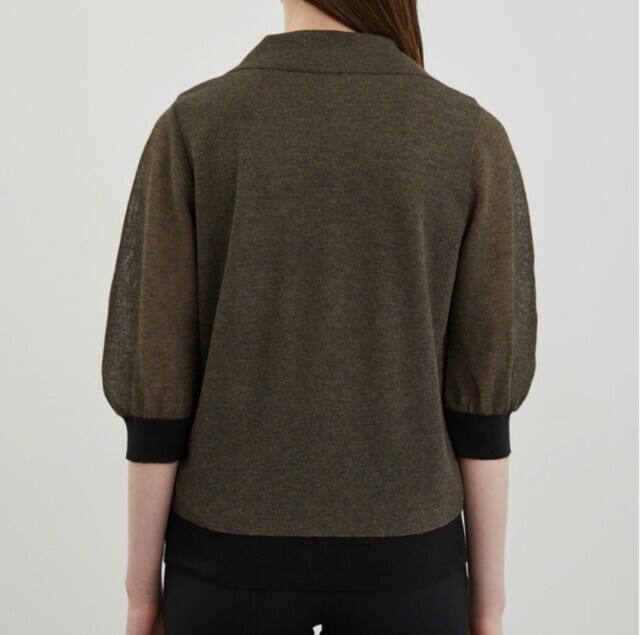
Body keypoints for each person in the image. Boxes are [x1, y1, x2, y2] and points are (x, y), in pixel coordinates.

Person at [101, 0, 538, 633]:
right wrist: (488, 606)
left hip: (225, 560)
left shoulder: (195, 125)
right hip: (412, 563)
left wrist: (141, 594)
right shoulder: (467, 135)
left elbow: (156, 387)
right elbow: (483, 404)